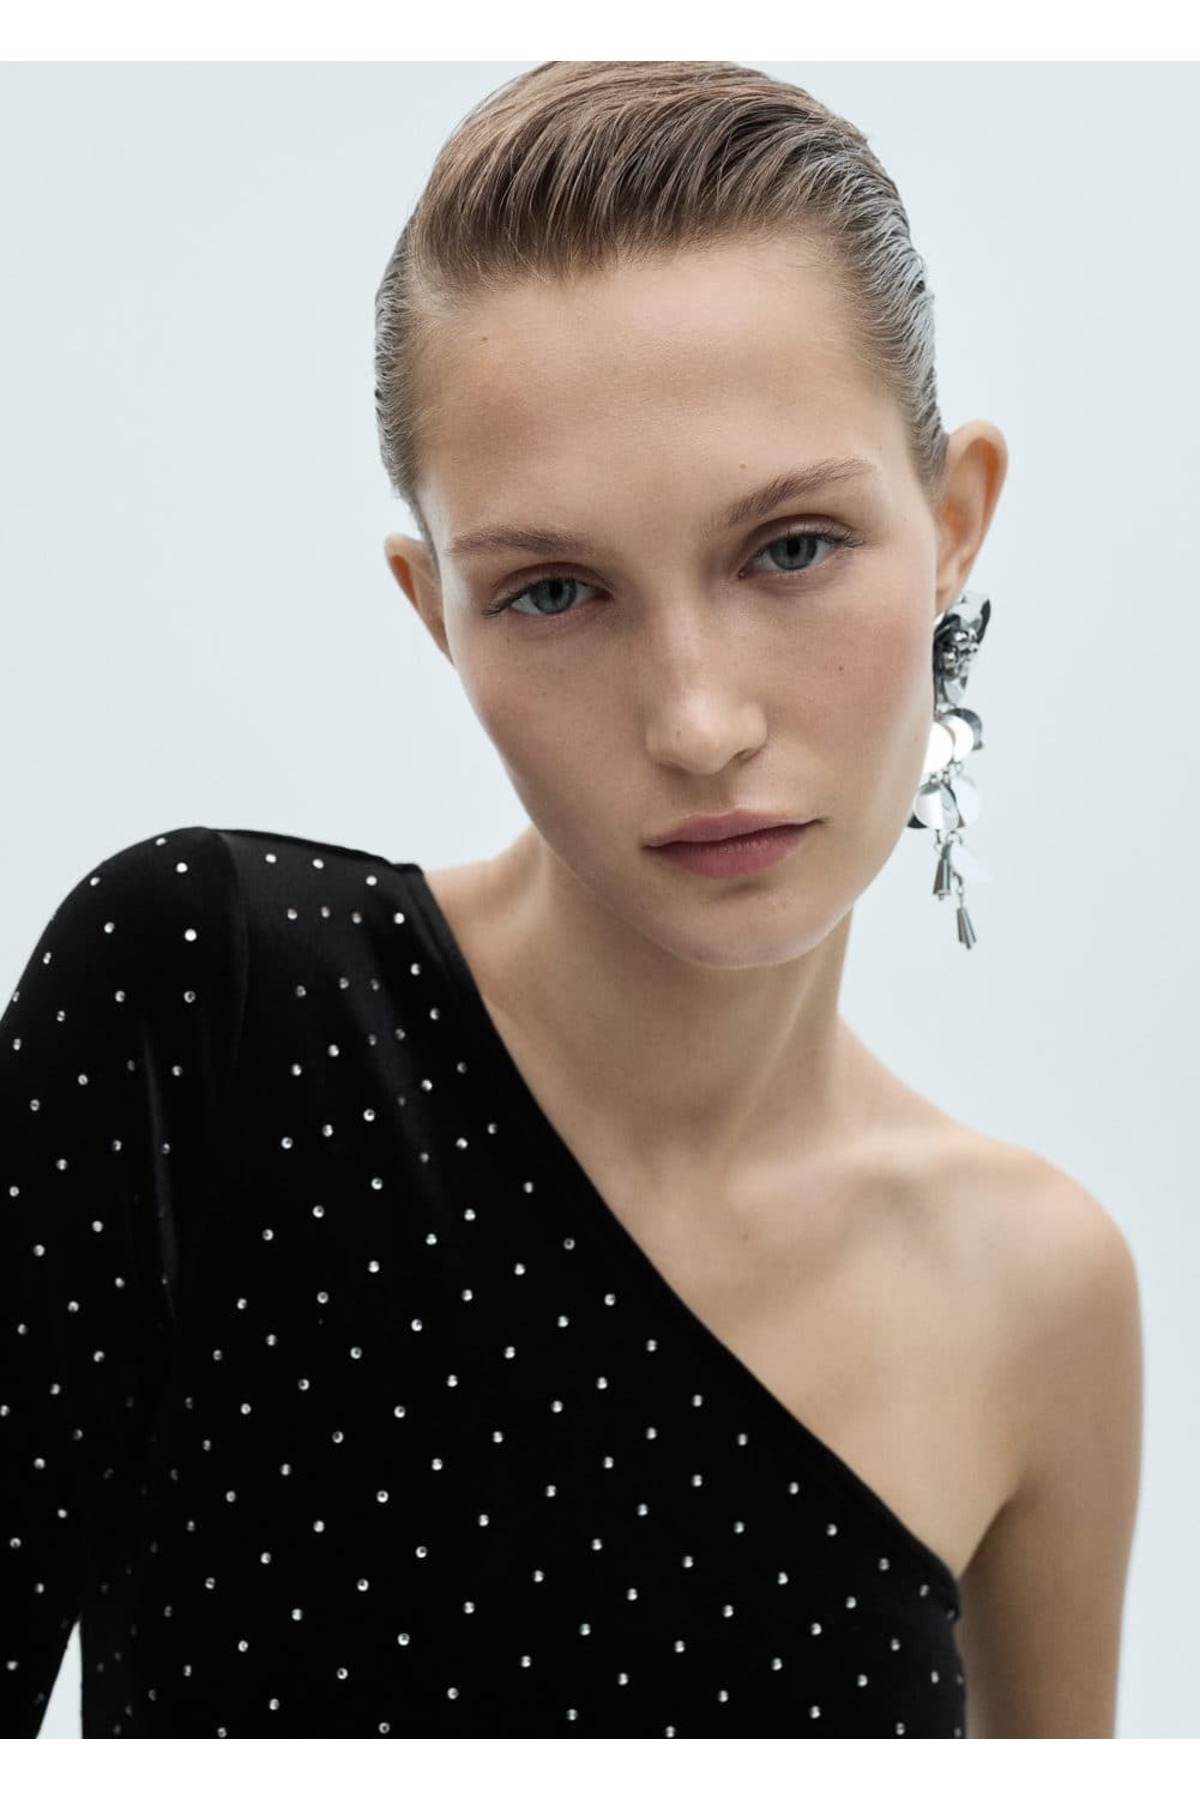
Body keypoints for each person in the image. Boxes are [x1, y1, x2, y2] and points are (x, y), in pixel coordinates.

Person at [1, 60, 1142, 1741]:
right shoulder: (208, 1005)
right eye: (552, 590)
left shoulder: (1041, 1296)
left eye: (792, 548)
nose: (699, 722)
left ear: (954, 521)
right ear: (435, 613)